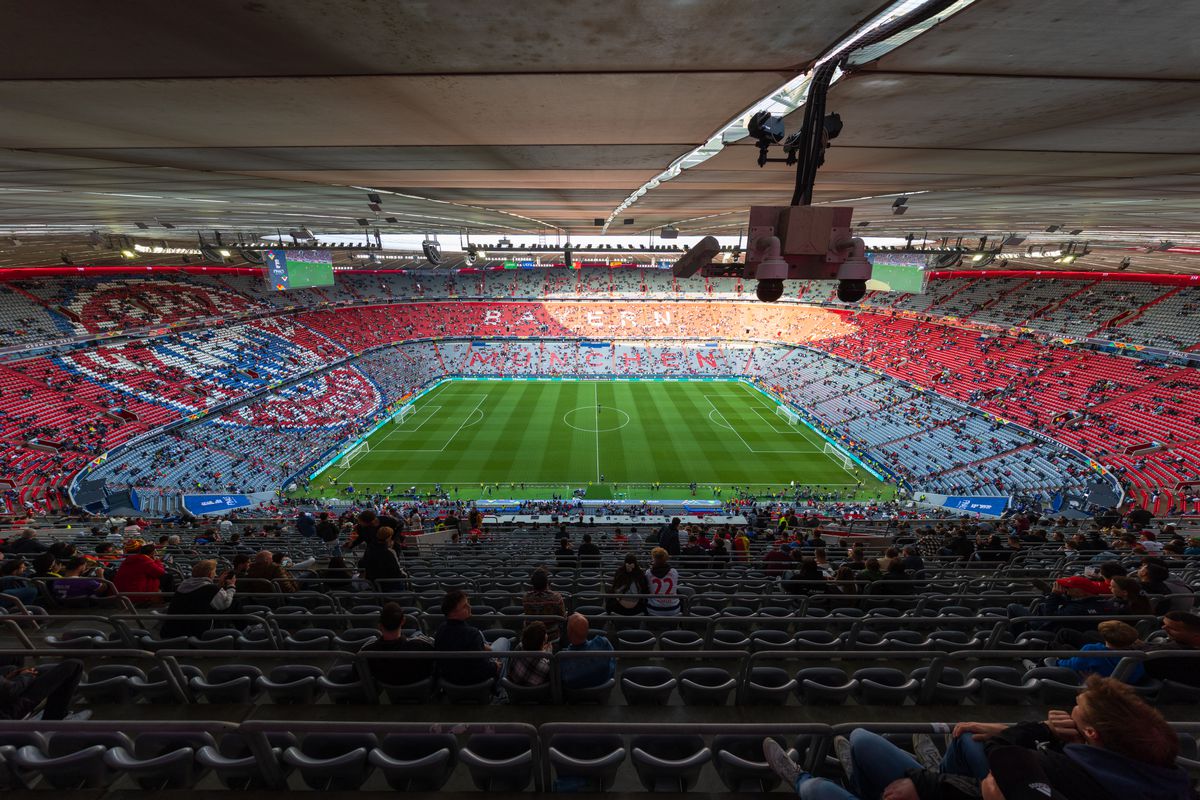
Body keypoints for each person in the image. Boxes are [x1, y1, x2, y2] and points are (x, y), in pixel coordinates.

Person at [763, 675, 1193, 800]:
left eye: (1074, 718)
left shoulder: (1047, 776)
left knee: (819, 788)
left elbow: (998, 775)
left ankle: (800, 778)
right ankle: (893, 780)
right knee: (858, 736)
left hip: (952, 792)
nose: (1062, 717)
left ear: (1094, 734)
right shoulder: (1150, 767)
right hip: (959, 786)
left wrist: (1038, 733)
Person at [433, 589, 507, 684]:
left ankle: (489, 647)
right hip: (473, 681)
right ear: (453, 613)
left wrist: (483, 647)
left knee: (483, 637)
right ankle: (500, 692)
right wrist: (495, 666)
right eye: (464, 606)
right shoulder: (471, 633)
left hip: (449, 679)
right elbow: (482, 669)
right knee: (504, 641)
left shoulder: (441, 629)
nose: (469, 607)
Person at [358, 602, 435, 686]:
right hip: (422, 691)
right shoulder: (422, 646)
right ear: (403, 621)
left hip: (387, 693)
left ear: (380, 625)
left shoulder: (366, 652)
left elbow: (358, 673)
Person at [161, 560, 237, 638]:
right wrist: (231, 586)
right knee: (235, 603)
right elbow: (224, 604)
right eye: (214, 572)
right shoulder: (210, 589)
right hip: (196, 633)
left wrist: (219, 586)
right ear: (210, 574)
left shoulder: (183, 584)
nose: (215, 575)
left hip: (173, 630)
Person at [0, 659, 86, 721]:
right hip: (10, 708)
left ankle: (56, 714)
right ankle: (55, 720)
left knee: (45, 669)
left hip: (9, 694)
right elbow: (12, 691)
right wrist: (27, 674)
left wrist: (16, 672)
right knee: (74, 665)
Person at [558, 613, 615, 691]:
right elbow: (612, 667)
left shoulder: (562, 658)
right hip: (603, 691)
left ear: (569, 632)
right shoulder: (603, 643)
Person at [1144, 610, 1200, 686]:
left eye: (1173, 629)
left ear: (1196, 638)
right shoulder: (1180, 645)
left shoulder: (1183, 659)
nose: (1164, 628)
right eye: (1164, 625)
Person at [522, 568, 566, 645]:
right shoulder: (556, 597)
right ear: (547, 583)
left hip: (531, 637)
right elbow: (562, 617)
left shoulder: (526, 598)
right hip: (552, 636)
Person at [507, 621, 552, 688]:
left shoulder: (519, 647)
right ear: (541, 644)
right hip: (536, 697)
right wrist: (548, 654)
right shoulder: (546, 666)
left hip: (514, 694)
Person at [645, 547, 680, 616]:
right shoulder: (674, 572)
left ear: (654, 559)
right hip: (673, 609)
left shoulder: (648, 573)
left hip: (654, 609)